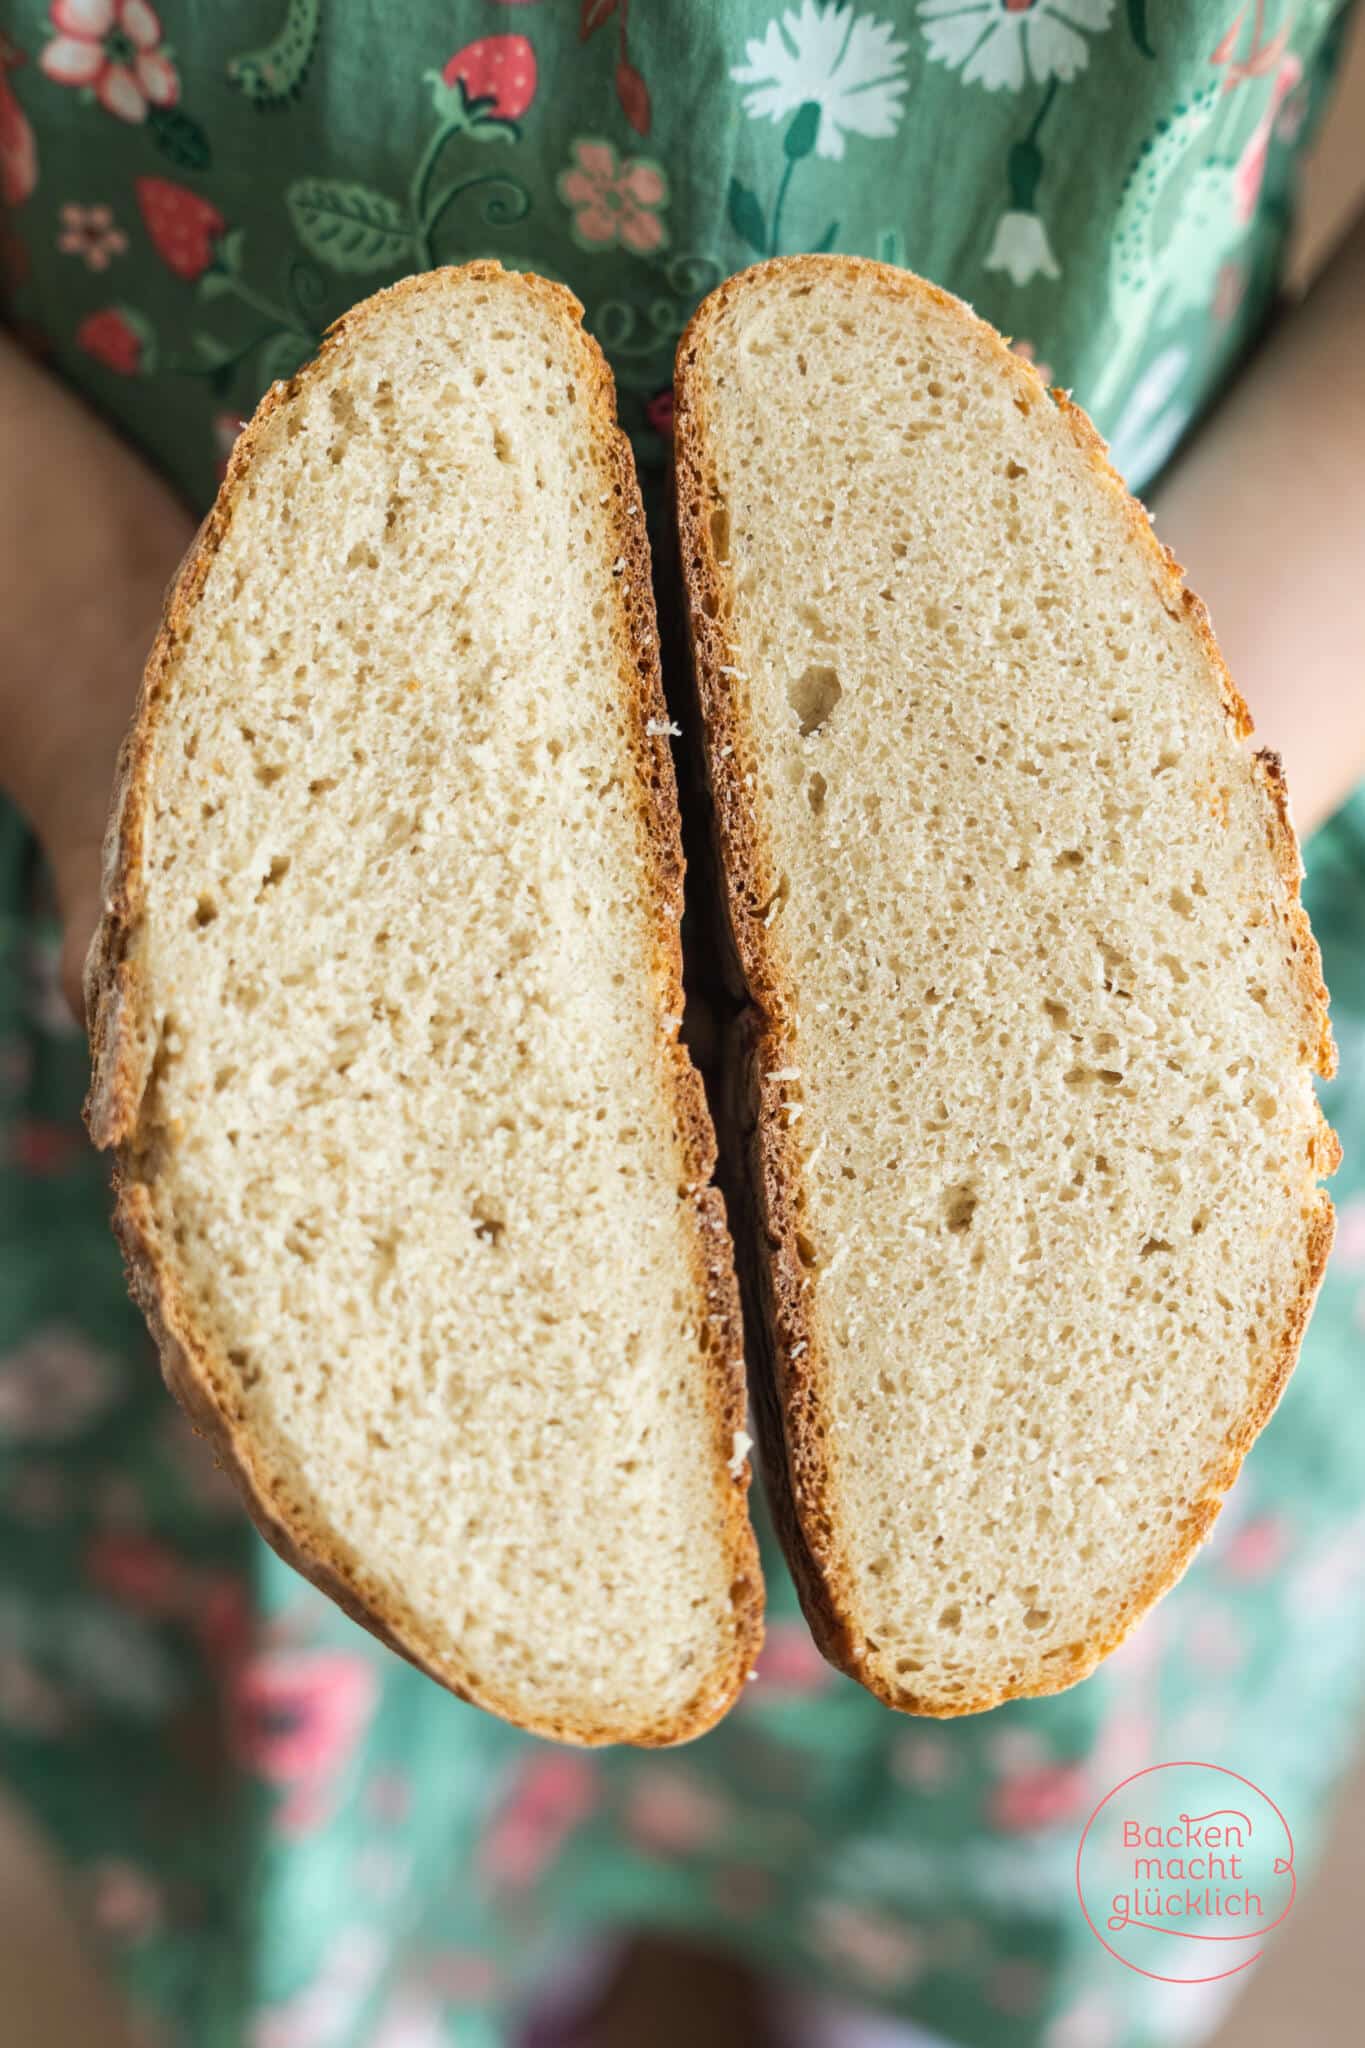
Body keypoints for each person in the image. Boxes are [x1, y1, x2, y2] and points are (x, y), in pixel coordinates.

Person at [2, 5, 1364, 2046]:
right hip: (164, 857)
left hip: (1174, 776)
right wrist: (101, 666)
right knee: (385, 1678)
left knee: (987, 1704)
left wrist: (1151, 796)